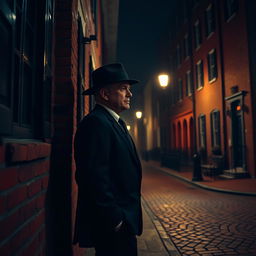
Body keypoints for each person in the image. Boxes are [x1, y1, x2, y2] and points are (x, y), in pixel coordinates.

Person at [73, 63, 143, 256]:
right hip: (113, 226)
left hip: (124, 222)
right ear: (104, 94)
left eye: (129, 89)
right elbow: (92, 178)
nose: (130, 94)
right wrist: (116, 220)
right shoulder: (96, 123)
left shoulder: (114, 122)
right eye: (123, 89)